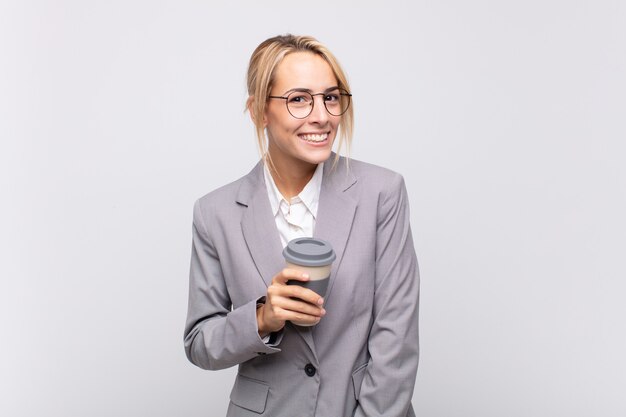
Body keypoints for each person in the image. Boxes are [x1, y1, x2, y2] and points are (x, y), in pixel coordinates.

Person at [184, 34, 420, 417]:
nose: (322, 116)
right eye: (298, 99)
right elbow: (200, 343)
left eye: (330, 97)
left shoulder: (382, 193)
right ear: (260, 110)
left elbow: (397, 336)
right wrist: (262, 317)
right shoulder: (215, 212)